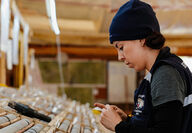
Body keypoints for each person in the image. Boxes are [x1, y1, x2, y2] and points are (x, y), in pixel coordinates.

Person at [94, 0, 192, 133]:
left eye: (121, 47)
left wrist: (119, 126)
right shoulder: (158, 71)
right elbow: (158, 122)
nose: (120, 57)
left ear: (141, 39)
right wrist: (127, 120)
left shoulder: (165, 74)